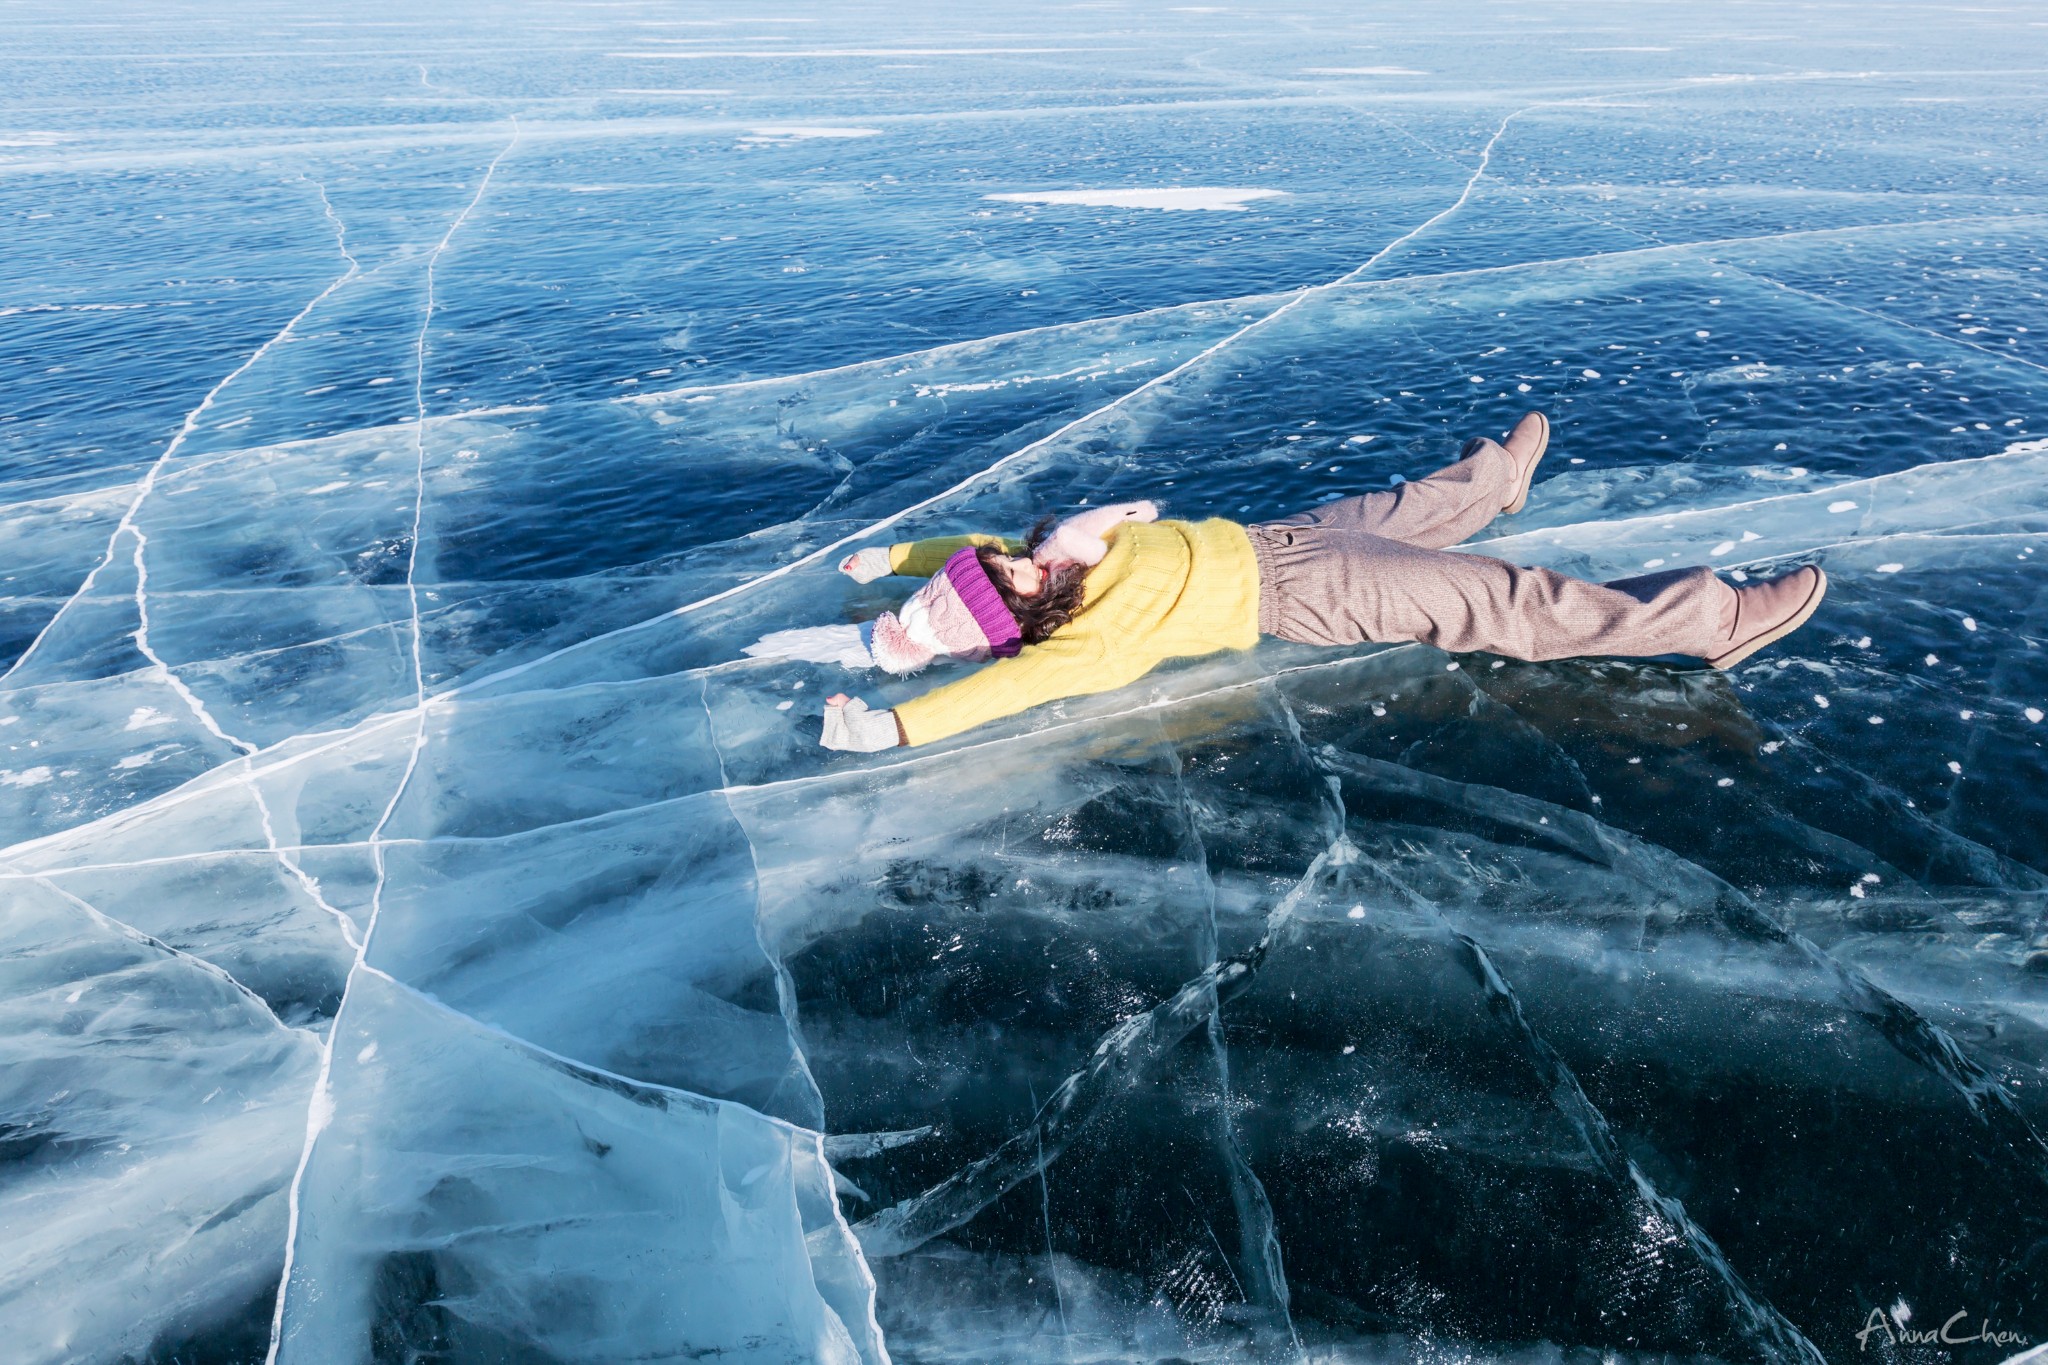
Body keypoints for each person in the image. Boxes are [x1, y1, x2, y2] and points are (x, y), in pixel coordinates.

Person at [818, 413, 1827, 752]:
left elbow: (967, 546)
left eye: (1004, 552)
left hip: (1272, 541)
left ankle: (1494, 480)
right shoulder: (1083, 638)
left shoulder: (1035, 567)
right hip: (1304, 595)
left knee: (1406, 510)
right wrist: (888, 727)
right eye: (1018, 569)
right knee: (1496, 600)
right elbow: (1001, 688)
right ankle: (1711, 619)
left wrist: (892, 560)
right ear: (1023, 610)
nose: (1021, 550)